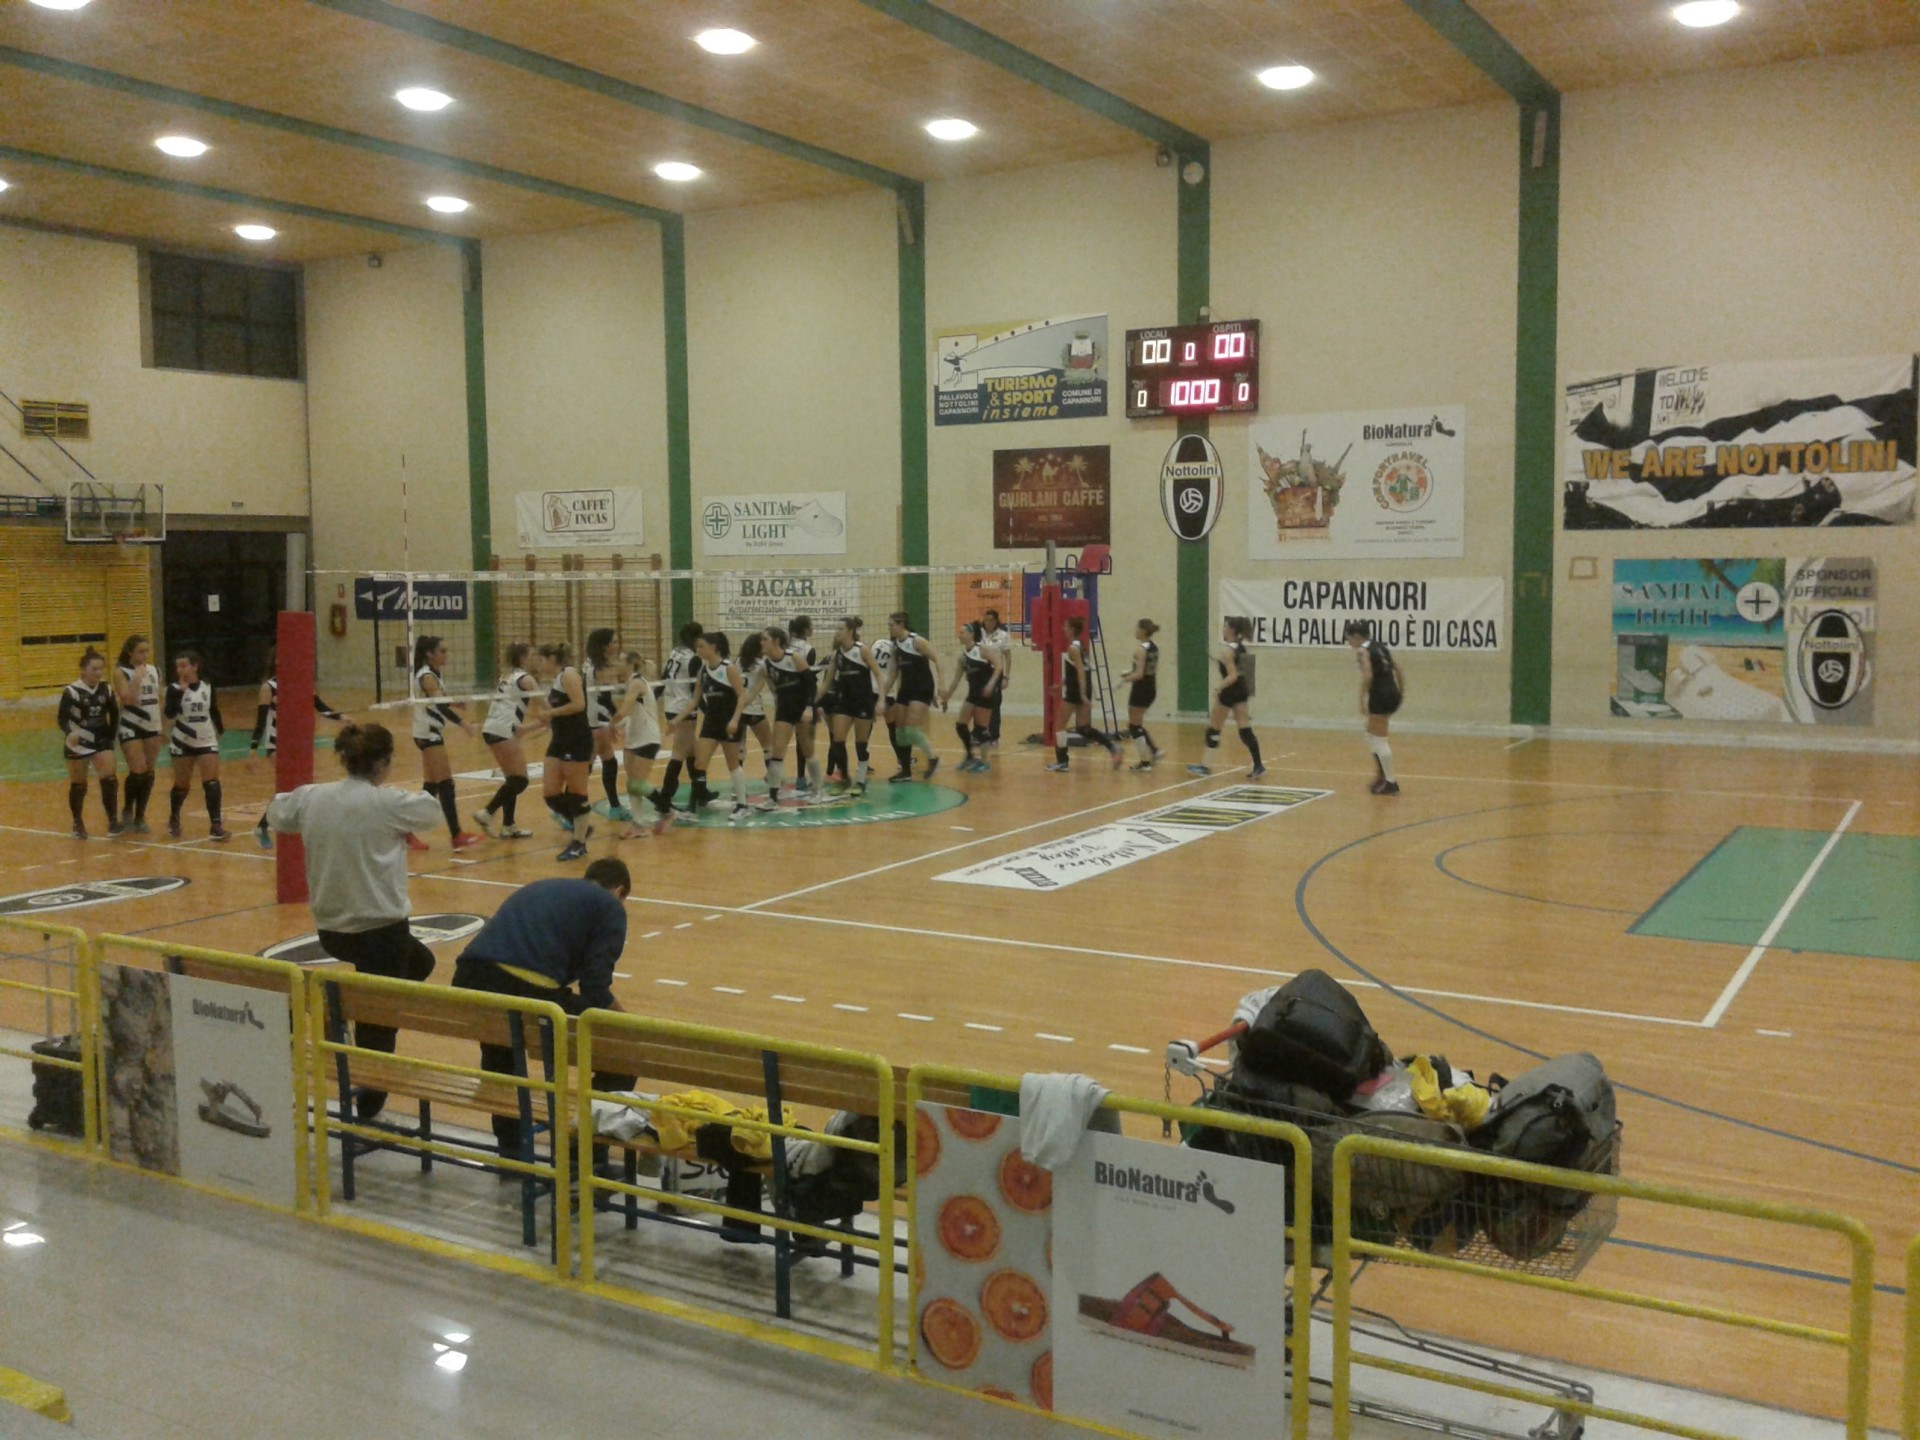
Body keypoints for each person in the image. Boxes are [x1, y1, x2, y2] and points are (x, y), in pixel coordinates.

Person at [262, 722, 442, 1122]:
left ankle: (346, 1007)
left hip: (332, 931)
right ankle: (368, 1106)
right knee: (382, 1021)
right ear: (383, 763)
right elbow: (431, 811)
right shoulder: (388, 802)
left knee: (421, 962)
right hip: (382, 933)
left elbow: (277, 812)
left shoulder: (313, 797)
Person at [450, 858, 635, 1165]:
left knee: (501, 1051)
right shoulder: (609, 906)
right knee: (623, 1056)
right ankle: (584, 1157)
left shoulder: (544, 887)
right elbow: (595, 988)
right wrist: (626, 1023)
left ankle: (511, 1152)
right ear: (619, 891)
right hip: (525, 992)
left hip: (469, 979)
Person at [411, 635, 482, 849]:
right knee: (446, 783)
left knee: (430, 787)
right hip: (428, 733)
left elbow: (438, 700)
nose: (446, 655)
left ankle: (405, 832)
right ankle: (456, 835)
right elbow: (439, 706)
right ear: (429, 654)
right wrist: (464, 724)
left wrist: (455, 702)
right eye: (442, 651)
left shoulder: (433, 674)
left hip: (428, 732)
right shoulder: (426, 676)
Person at [473, 641, 542, 839]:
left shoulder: (507, 677)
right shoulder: (527, 679)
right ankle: (487, 812)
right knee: (520, 780)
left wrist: (534, 725)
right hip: (504, 730)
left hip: (492, 728)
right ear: (522, 658)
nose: (536, 659)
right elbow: (546, 708)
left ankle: (508, 825)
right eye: (532, 655)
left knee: (512, 779)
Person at [536, 641, 595, 860]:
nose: (539, 665)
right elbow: (556, 713)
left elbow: (579, 704)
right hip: (559, 740)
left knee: (577, 793)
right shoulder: (557, 679)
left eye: (541, 660)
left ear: (552, 658)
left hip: (576, 740)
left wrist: (551, 713)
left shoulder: (569, 674)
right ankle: (581, 825)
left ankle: (579, 843)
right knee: (550, 794)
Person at [1188, 616, 1265, 779]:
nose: (1223, 630)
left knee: (1213, 729)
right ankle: (1258, 765)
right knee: (1245, 729)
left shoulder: (1227, 651)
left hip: (1230, 691)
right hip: (1241, 691)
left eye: (1225, 627)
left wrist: (1219, 687)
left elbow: (1232, 676)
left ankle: (1205, 766)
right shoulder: (1242, 648)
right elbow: (1245, 674)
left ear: (1231, 630)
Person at [689, 631, 752, 824]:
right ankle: (692, 807)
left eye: (701, 646)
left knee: (733, 764)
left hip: (728, 721)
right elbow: (695, 700)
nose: (698, 650)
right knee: (699, 763)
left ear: (713, 647)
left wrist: (735, 720)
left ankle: (742, 805)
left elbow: (742, 695)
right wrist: (676, 720)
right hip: (711, 722)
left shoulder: (728, 668)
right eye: (697, 647)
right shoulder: (703, 670)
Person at [648, 622, 705, 831]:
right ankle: (664, 797)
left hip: (671, 705)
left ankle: (701, 791)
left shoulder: (675, 652)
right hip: (684, 709)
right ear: (696, 638)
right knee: (680, 752)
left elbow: (663, 678)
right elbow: (696, 689)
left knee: (692, 749)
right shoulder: (693, 658)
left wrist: (653, 699)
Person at [165, 650, 228, 841]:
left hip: (205, 738)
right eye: (178, 666)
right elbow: (169, 713)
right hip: (182, 740)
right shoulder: (173, 688)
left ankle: (215, 824)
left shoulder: (207, 686)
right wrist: (180, 692)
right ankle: (174, 816)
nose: (180, 670)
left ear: (195, 666)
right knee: (182, 785)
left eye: (184, 665)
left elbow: (213, 709)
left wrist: (220, 730)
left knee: (211, 782)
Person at [1045, 615, 1121, 772]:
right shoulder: (1080, 646)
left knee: (1059, 726)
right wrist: (1061, 685)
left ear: (1072, 629)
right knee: (1083, 728)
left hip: (1076, 691)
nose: (1063, 629)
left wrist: (1082, 694)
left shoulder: (1073, 648)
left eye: (1066, 626)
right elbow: (1075, 671)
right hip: (1081, 688)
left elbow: (1080, 671)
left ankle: (1062, 762)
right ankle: (1112, 746)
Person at [59, 647, 120, 839]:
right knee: (79, 784)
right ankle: (77, 822)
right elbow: (62, 718)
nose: (99, 673)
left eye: (101, 669)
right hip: (79, 740)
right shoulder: (72, 691)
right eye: (94, 669)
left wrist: (110, 737)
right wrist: (71, 732)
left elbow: (114, 714)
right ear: (83, 670)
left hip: (100, 738)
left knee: (109, 778)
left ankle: (113, 821)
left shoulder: (106, 689)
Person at [249, 646, 346, 758]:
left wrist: (340, 716)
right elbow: (261, 721)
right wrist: (253, 748)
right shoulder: (268, 687)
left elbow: (320, 706)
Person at [880, 612, 943, 781]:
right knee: (900, 733)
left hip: (922, 688)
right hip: (906, 689)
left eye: (891, 625)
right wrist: (881, 697)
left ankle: (933, 758)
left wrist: (941, 687)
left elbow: (937, 659)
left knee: (911, 729)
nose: (889, 628)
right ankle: (906, 771)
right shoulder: (894, 646)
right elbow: (892, 674)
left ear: (901, 625)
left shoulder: (917, 641)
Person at [1346, 620, 1405, 795]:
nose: (1349, 643)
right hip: (1391, 692)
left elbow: (1368, 676)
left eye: (1349, 639)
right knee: (1370, 734)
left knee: (1379, 738)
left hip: (1380, 695)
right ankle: (1381, 775)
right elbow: (1398, 669)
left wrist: (1361, 699)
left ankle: (1390, 781)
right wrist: (1400, 691)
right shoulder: (1380, 647)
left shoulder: (1362, 651)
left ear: (1357, 636)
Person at [608, 650, 661, 838]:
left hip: (648, 737)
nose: (617, 664)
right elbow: (632, 714)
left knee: (637, 784)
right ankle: (638, 824)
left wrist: (611, 724)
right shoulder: (630, 682)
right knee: (632, 784)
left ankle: (668, 809)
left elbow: (624, 710)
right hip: (633, 737)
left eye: (621, 660)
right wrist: (619, 725)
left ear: (631, 664)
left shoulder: (637, 682)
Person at [112, 634, 162, 834]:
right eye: (140, 651)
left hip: (152, 724)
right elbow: (127, 699)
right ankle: (127, 808)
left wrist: (163, 725)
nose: (145, 655)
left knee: (149, 772)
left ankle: (140, 815)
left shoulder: (155, 670)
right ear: (130, 653)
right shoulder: (121, 672)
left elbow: (159, 697)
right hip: (131, 724)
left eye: (147, 651)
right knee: (138, 770)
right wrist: (137, 679)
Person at [941, 621, 1004, 773]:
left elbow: (999, 665)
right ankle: (970, 756)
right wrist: (946, 697)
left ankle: (984, 762)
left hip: (986, 695)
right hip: (973, 695)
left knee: (980, 729)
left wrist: (991, 684)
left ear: (971, 635)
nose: (959, 635)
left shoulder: (982, 649)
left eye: (962, 632)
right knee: (961, 725)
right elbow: (956, 679)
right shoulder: (962, 658)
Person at [759, 626, 812, 806]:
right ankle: (773, 797)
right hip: (784, 710)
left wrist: (809, 707)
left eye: (765, 639)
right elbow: (764, 686)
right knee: (777, 752)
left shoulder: (793, 657)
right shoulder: (766, 664)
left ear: (776, 641)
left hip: (801, 708)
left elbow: (810, 683)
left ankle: (818, 789)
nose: (761, 643)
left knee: (808, 750)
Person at [583, 627, 625, 820]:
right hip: (596, 720)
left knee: (608, 760)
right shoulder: (601, 667)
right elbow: (605, 699)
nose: (617, 645)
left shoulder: (589, 662)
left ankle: (615, 806)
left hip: (590, 717)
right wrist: (618, 719)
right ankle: (570, 806)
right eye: (614, 642)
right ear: (604, 646)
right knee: (588, 764)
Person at [1120, 619, 1165, 772]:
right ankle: (1153, 751)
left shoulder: (1140, 650)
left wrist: (1125, 680)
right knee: (1135, 724)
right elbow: (1145, 670)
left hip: (1140, 689)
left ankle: (1145, 762)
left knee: (1134, 726)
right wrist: (1130, 672)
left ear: (1143, 631)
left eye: (1137, 628)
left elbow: (1139, 674)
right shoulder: (1154, 647)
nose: (1135, 631)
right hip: (1150, 688)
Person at [788, 615, 821, 793]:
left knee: (786, 739)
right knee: (807, 741)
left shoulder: (785, 646)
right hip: (803, 699)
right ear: (806, 630)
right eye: (811, 626)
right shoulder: (809, 650)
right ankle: (806, 780)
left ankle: (776, 774)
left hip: (786, 698)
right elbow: (808, 678)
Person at [979, 607, 1013, 755]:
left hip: (995, 672)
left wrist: (1006, 677)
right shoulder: (979, 634)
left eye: (991, 620)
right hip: (981, 672)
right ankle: (980, 733)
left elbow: (1007, 657)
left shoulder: (1003, 635)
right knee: (979, 704)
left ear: (996, 621)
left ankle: (994, 736)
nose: (988, 623)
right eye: (986, 620)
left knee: (994, 704)